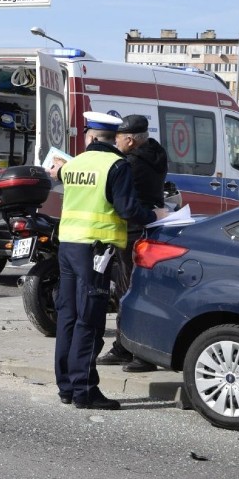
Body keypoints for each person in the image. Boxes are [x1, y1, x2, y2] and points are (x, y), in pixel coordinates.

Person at [54, 112, 168, 410]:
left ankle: (66, 386)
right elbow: (128, 209)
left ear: (90, 138)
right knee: (89, 319)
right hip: (96, 250)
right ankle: (86, 391)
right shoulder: (116, 166)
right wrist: (155, 216)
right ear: (112, 139)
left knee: (68, 317)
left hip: (68, 247)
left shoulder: (73, 165)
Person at [96, 115, 167, 373]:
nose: (115, 142)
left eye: (117, 138)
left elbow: (123, 202)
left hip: (133, 231)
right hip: (151, 230)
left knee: (129, 291)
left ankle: (133, 350)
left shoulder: (131, 163)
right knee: (140, 289)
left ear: (129, 139)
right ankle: (132, 348)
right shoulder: (156, 154)